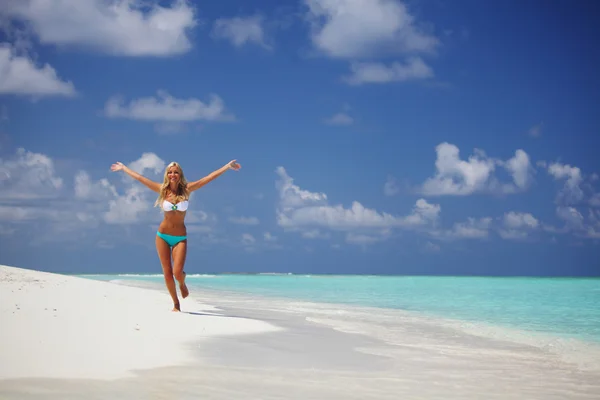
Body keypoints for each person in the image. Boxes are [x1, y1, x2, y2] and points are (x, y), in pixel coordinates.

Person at [110, 159, 241, 311]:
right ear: (167, 175)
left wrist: (226, 166)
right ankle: (176, 304)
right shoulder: (162, 190)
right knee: (167, 273)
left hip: (180, 237)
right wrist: (124, 168)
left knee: (177, 272)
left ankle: (182, 282)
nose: (173, 174)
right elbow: (141, 179)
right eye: (170, 172)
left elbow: (208, 178)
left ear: (180, 175)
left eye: (176, 172)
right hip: (162, 236)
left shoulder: (187, 189)